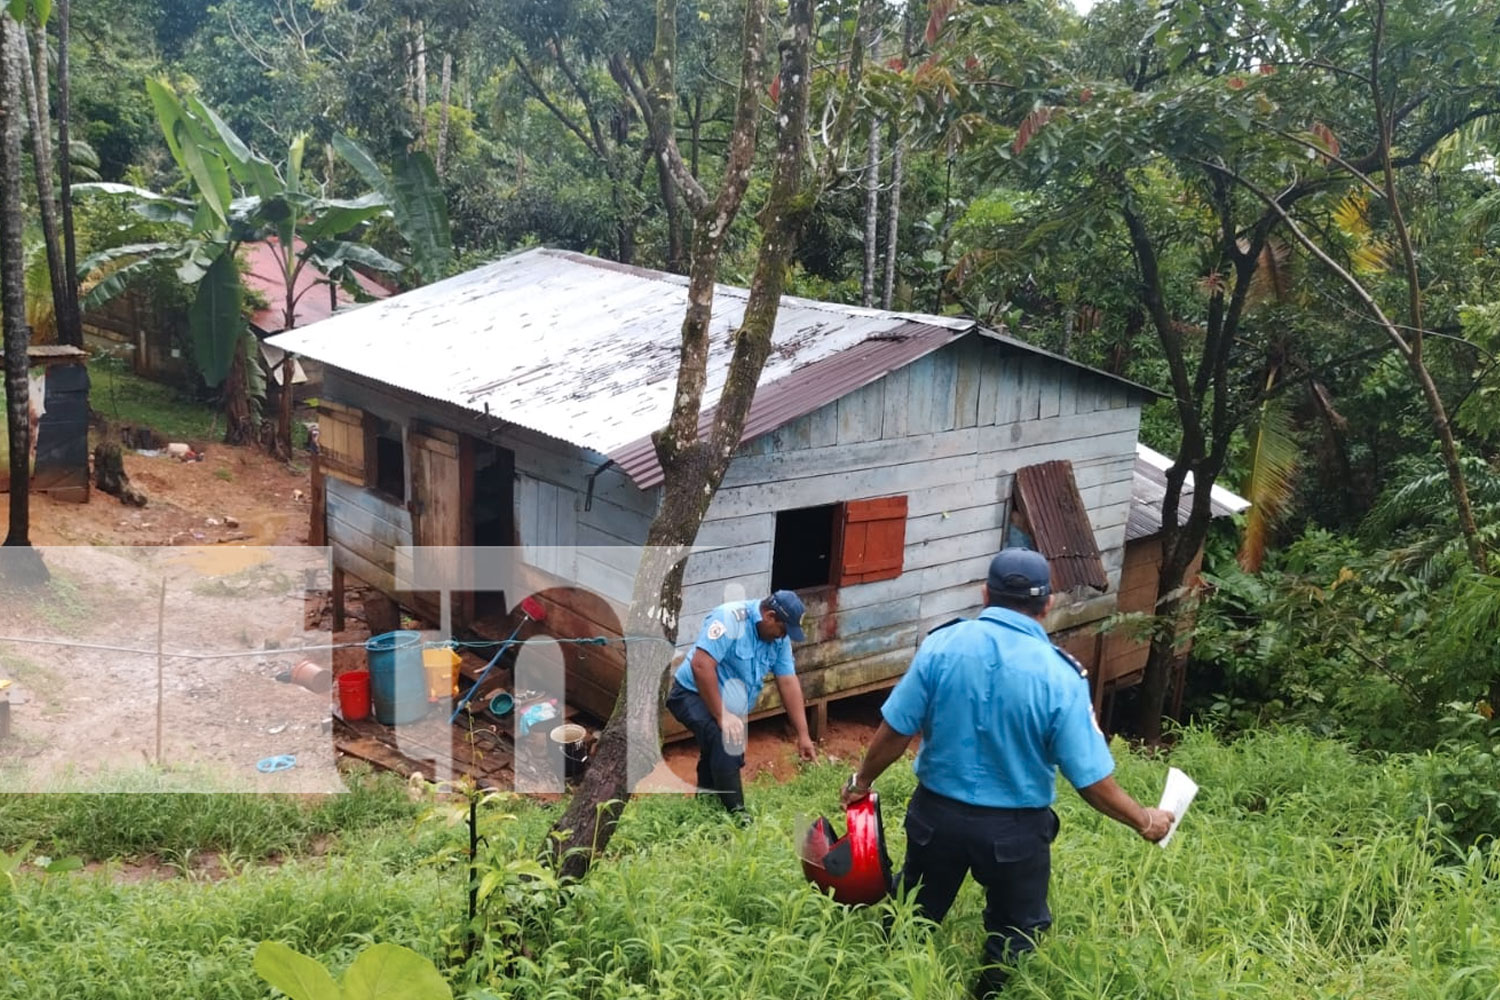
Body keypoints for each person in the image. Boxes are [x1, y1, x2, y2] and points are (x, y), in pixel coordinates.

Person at [840, 548, 1173, 997]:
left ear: (984, 594)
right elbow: (1091, 781)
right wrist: (1145, 820)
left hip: (935, 819)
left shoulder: (941, 646)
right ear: (1048, 603)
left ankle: (880, 986)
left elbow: (895, 731)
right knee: (1016, 930)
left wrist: (861, 783)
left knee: (912, 912)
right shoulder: (1061, 677)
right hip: (1016, 833)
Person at [667, 589, 818, 818]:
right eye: (783, 630)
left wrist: (803, 734)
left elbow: (788, 681)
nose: (783, 636)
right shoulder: (729, 618)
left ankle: (706, 811)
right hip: (690, 693)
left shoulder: (778, 639)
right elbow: (701, 665)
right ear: (769, 617)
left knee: (715, 752)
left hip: (727, 705)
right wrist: (722, 716)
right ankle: (739, 818)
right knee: (726, 741)